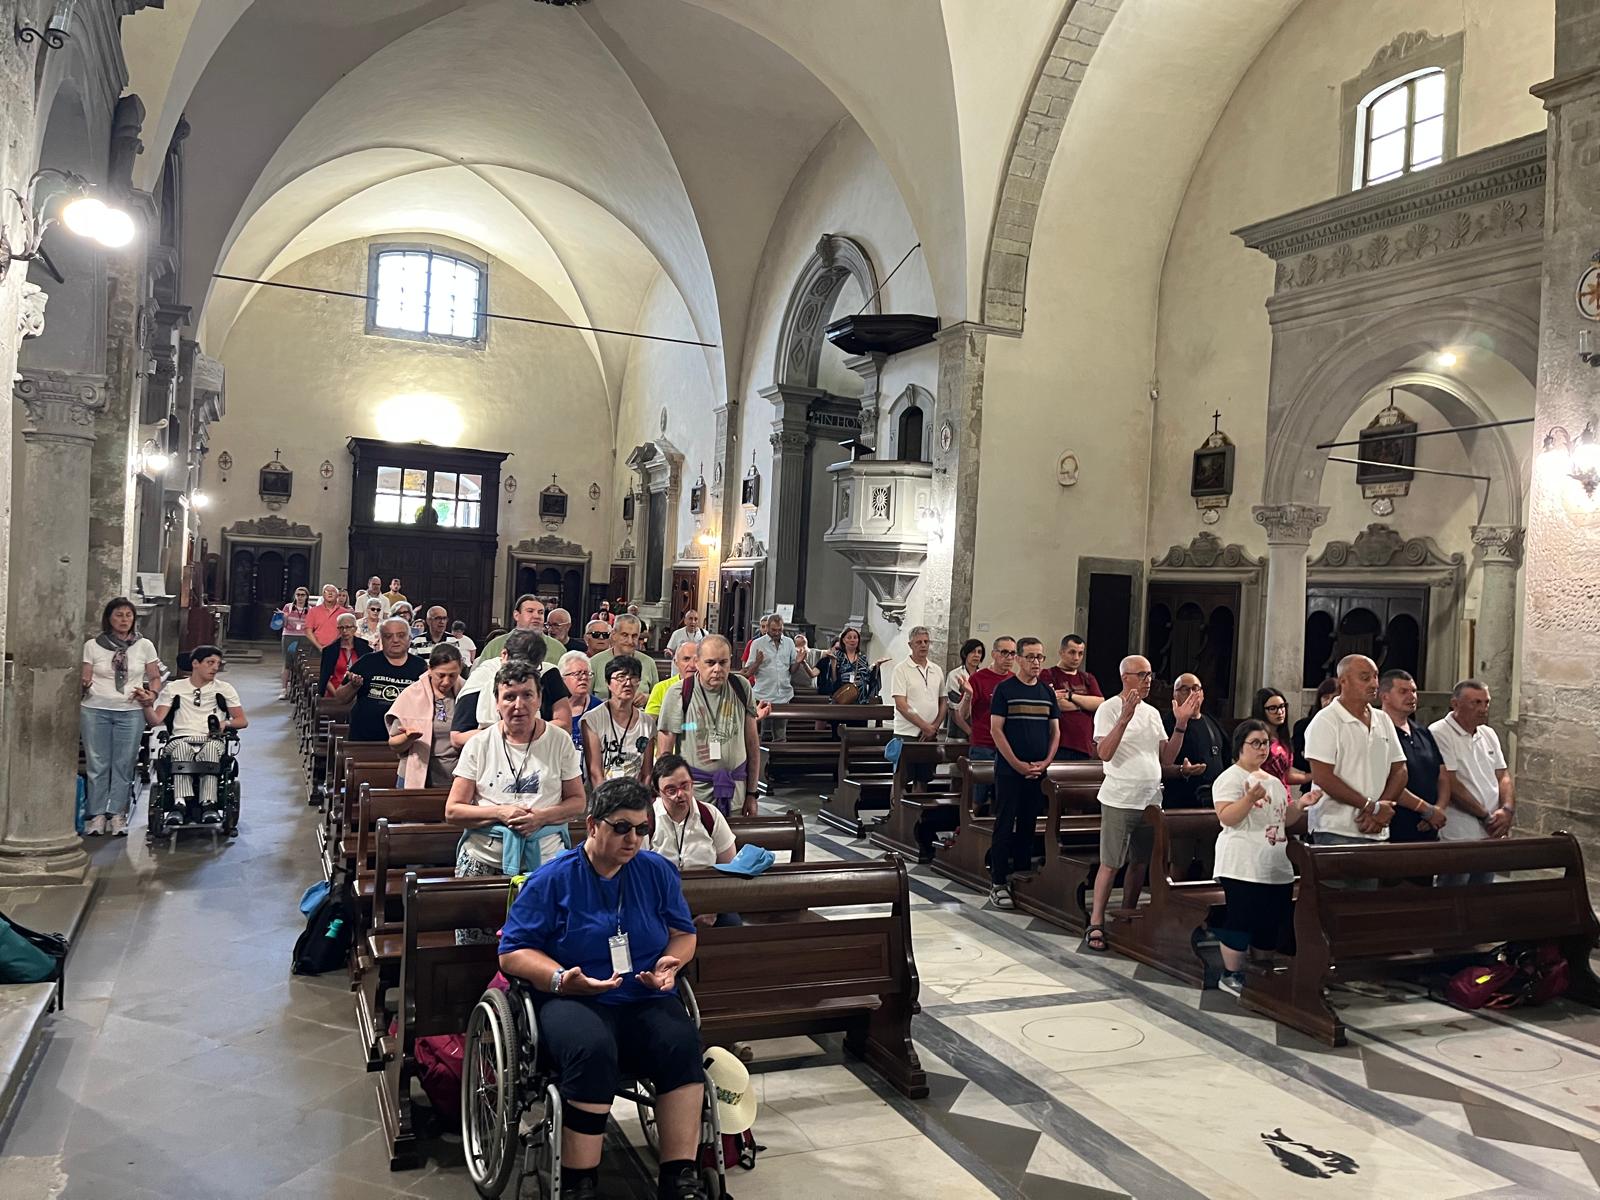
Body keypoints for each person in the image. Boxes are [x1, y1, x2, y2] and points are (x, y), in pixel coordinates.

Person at [497, 777, 709, 1200]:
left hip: (644, 994)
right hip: (574, 997)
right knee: (591, 1049)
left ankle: (679, 1177)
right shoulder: (552, 879)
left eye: (642, 829)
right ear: (593, 825)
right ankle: (579, 1181)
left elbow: (684, 934)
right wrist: (561, 978)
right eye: (622, 827)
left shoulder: (656, 871)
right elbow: (513, 952)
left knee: (681, 1042)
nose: (634, 839)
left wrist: (671, 963)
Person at [447, 661, 585, 931]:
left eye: (527, 695)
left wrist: (541, 817)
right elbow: (453, 810)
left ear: (539, 699)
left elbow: (578, 802)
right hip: (484, 861)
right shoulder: (480, 743)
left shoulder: (559, 741)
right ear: (497, 702)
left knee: (543, 946)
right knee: (476, 948)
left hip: (546, 864)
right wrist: (500, 812)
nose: (518, 704)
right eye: (509, 697)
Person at [1085, 655, 1189, 952]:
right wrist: (1123, 719)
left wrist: (1180, 724)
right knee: (1111, 862)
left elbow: (1166, 758)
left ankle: (1127, 914)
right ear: (1124, 677)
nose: (1148, 680)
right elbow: (1104, 753)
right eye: (1141, 675)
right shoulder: (1107, 709)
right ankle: (1096, 922)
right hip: (1119, 798)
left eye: (1149, 674)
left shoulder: (1153, 713)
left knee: (1140, 861)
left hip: (1150, 798)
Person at [1211, 720, 1320, 996]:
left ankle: (1262, 970)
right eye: (1255, 743)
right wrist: (1247, 800)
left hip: (1275, 861)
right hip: (1242, 863)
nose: (1262, 749)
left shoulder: (1272, 781)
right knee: (1242, 916)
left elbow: (1283, 819)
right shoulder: (1230, 778)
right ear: (1240, 746)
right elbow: (1227, 817)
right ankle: (1231, 974)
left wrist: (1301, 806)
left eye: (1265, 743)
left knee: (1271, 918)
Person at [1303, 655, 1407, 885]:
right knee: (1337, 908)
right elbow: (1323, 777)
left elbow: (1400, 769)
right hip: (1336, 830)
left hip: (1375, 831)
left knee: (1365, 909)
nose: (1374, 684)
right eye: (1365, 677)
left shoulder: (1383, 719)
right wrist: (1370, 806)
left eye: (1375, 676)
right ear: (1344, 681)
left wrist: (1381, 809)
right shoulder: (1326, 720)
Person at [134, 645, 248, 827]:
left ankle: (208, 803)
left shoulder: (224, 689)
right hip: (180, 738)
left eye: (218, 663)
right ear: (195, 663)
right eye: (210, 663)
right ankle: (179, 803)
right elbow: (156, 720)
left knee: (211, 749)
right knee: (181, 750)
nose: (215, 667)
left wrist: (224, 724)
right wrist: (147, 705)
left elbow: (242, 720)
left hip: (212, 739)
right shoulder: (175, 688)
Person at [987, 637, 1061, 909]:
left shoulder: (1047, 692)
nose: (1036, 662)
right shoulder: (1005, 689)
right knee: (1005, 823)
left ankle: (1021, 875)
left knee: (1029, 824)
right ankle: (998, 881)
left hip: (1038, 770)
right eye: (1030, 657)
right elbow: (997, 730)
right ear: (1018, 659)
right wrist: (1017, 764)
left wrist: (1045, 762)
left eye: (1040, 657)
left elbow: (1055, 732)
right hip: (1010, 770)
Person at [80, 597, 164, 836]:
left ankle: (117, 813)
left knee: (124, 763)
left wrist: (152, 693)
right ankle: (96, 815)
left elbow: (155, 676)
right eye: (119, 615)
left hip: (130, 711)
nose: (124, 620)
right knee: (98, 763)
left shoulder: (144, 645)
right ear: (109, 618)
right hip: (96, 708)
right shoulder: (92, 645)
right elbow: (85, 675)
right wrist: (84, 685)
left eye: (128, 615)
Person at [657, 635, 762, 816]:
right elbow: (664, 753)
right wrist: (665, 796)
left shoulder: (741, 687)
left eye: (723, 662)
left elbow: (752, 744)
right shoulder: (679, 692)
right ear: (697, 662)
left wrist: (752, 794)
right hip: (693, 794)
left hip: (736, 792)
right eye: (710, 662)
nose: (717, 669)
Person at [1431, 679, 1515, 886]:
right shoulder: (1439, 732)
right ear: (1455, 703)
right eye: (1475, 703)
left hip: (1491, 831)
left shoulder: (1488, 733)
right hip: (1460, 832)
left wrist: (1506, 809)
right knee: (1454, 890)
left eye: (1486, 703)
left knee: (1482, 892)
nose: (1482, 709)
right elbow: (1450, 782)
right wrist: (1485, 816)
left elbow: (1502, 774)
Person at [452, 629, 575, 751]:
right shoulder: (482, 678)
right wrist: (506, 734)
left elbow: (564, 724)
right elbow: (457, 738)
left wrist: (528, 732)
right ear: (504, 655)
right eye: (510, 696)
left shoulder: (547, 673)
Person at [1160, 674, 1229, 880]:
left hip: (1210, 805)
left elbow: (1226, 760)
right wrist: (1183, 770)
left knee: (1212, 860)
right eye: (1184, 689)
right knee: (1180, 860)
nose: (1191, 694)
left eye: (1196, 689)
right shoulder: (1167, 722)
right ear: (1174, 694)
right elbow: (1161, 762)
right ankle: (1173, 904)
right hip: (1180, 804)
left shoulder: (1211, 723)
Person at [1378, 670, 1450, 860]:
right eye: (1403, 691)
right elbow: (1387, 780)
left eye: (1414, 691)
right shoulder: (1378, 732)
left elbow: (1442, 774)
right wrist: (1426, 810)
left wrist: (1437, 810)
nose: (1412, 696)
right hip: (1396, 827)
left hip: (1428, 829)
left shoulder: (1422, 732)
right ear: (1384, 696)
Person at [330, 616, 426, 743]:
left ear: (409, 638)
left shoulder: (420, 667)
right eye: (388, 636)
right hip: (365, 739)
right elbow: (340, 698)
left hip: (406, 741)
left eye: (401, 635)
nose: (395, 640)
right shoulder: (366, 662)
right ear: (381, 640)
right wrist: (353, 686)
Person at [387, 644, 466, 788]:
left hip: (458, 777)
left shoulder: (467, 692)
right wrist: (408, 737)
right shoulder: (411, 695)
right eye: (441, 675)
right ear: (430, 669)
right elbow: (393, 744)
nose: (446, 681)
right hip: (417, 773)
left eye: (452, 675)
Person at [647, 754, 737, 876]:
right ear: (658, 791)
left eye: (685, 786)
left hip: (705, 890)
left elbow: (729, 866)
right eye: (671, 790)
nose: (680, 794)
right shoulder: (647, 819)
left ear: (692, 783)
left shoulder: (710, 815)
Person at [957, 637, 1018, 814]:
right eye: (1004, 652)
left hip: (1007, 747)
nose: (1009, 657)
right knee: (978, 796)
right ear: (994, 654)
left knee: (1002, 796)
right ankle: (963, 833)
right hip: (984, 745)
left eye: (1012, 653)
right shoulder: (978, 678)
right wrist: (968, 695)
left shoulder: (1014, 680)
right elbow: (963, 715)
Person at [583, 656, 658, 788]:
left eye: (633, 677)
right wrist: (606, 803)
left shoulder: (647, 724)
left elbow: (647, 773)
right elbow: (594, 772)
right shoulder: (592, 720)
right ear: (608, 682)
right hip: (603, 796)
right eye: (620, 677)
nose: (627, 683)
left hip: (635, 797)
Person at [889, 626, 947, 784]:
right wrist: (924, 726)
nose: (923, 645)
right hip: (907, 733)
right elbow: (901, 704)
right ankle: (896, 809)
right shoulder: (901, 669)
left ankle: (918, 809)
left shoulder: (937, 669)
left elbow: (943, 701)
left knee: (923, 779)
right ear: (910, 645)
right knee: (901, 778)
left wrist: (933, 727)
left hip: (930, 735)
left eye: (926, 642)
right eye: (919, 642)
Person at [1040, 634, 1103, 761]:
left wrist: (1070, 696)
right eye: (1072, 652)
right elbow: (1056, 704)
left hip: (1085, 744)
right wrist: (1085, 705)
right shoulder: (1048, 674)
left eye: (1080, 653)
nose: (1076, 658)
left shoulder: (1087, 678)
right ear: (1061, 652)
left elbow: (1100, 703)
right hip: (1060, 744)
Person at [742, 613, 799, 740]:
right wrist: (757, 662)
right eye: (773, 630)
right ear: (767, 628)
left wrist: (798, 662)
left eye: (780, 630)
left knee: (780, 735)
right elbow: (747, 673)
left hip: (784, 695)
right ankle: (763, 759)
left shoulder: (789, 643)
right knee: (764, 735)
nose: (777, 633)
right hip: (763, 695)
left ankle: (779, 759)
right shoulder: (757, 644)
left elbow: (792, 670)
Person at [1251, 688, 1311, 789]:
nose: (1279, 712)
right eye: (1272, 708)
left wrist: (1315, 776)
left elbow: (1286, 776)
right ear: (1261, 710)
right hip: (1262, 794)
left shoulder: (1283, 738)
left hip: (1283, 796)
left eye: (1282, 706)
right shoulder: (1255, 738)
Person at [590, 613, 659, 699]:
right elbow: (586, 699)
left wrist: (647, 698)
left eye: (634, 636)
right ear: (614, 635)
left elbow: (657, 699)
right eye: (625, 635)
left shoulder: (649, 663)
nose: (630, 641)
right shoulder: (594, 663)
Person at [482, 594, 561, 667]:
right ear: (516, 615)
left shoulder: (557, 648)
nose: (537, 616)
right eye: (530, 611)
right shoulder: (495, 646)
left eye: (540, 612)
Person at [817, 626, 889, 704]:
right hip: (842, 697)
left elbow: (868, 677)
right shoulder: (837, 656)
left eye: (855, 637)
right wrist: (833, 663)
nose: (852, 640)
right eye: (849, 637)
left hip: (861, 698)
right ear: (843, 640)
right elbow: (832, 680)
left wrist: (876, 666)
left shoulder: (862, 658)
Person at [560, 650, 603, 763]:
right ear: (562, 678)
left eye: (587, 674)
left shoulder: (599, 709)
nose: (583, 678)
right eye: (577, 674)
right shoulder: (551, 708)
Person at [647, 639, 700, 718]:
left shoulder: (710, 688)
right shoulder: (661, 688)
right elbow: (650, 724)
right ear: (676, 663)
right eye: (686, 659)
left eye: (696, 660)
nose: (692, 665)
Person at [318, 612, 364, 701]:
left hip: (359, 694)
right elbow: (325, 678)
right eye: (341, 627)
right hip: (334, 694)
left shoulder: (365, 648)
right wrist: (338, 696)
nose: (344, 631)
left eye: (348, 627)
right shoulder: (329, 650)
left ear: (355, 628)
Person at [277, 585, 311, 699]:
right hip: (289, 636)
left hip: (304, 637)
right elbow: (283, 624)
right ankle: (283, 689)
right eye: (298, 595)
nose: (300, 597)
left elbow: (311, 625)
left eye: (302, 595)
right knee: (288, 662)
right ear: (295, 596)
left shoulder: (310, 609)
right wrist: (284, 617)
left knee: (301, 664)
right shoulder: (288, 607)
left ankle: (296, 689)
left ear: (306, 597)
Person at [947, 638, 985, 738]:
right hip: (958, 729)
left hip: (978, 728)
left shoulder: (983, 676)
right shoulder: (955, 675)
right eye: (973, 652)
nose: (976, 655)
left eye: (979, 652)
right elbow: (953, 709)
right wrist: (970, 732)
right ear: (965, 654)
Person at [305, 583, 352, 651]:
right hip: (315, 649)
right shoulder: (313, 611)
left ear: (337, 595)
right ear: (323, 595)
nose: (330, 593)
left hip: (338, 649)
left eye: (333, 591)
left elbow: (347, 632)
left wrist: (332, 646)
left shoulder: (345, 613)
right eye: (327, 591)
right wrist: (320, 647)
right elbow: (308, 631)